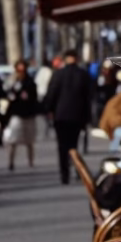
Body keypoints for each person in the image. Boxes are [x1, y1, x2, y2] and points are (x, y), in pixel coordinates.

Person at [43, 48, 92, 185]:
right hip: (77, 115)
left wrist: (48, 110)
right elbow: (88, 97)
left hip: (61, 115)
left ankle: (64, 173)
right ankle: (77, 168)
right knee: (74, 145)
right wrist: (87, 117)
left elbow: (51, 94)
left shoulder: (58, 74)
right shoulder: (83, 75)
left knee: (62, 146)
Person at [2, 59, 39, 171]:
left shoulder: (30, 81)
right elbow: (6, 93)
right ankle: (10, 161)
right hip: (16, 114)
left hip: (28, 114)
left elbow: (34, 97)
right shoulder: (12, 80)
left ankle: (31, 161)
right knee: (12, 140)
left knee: (29, 140)